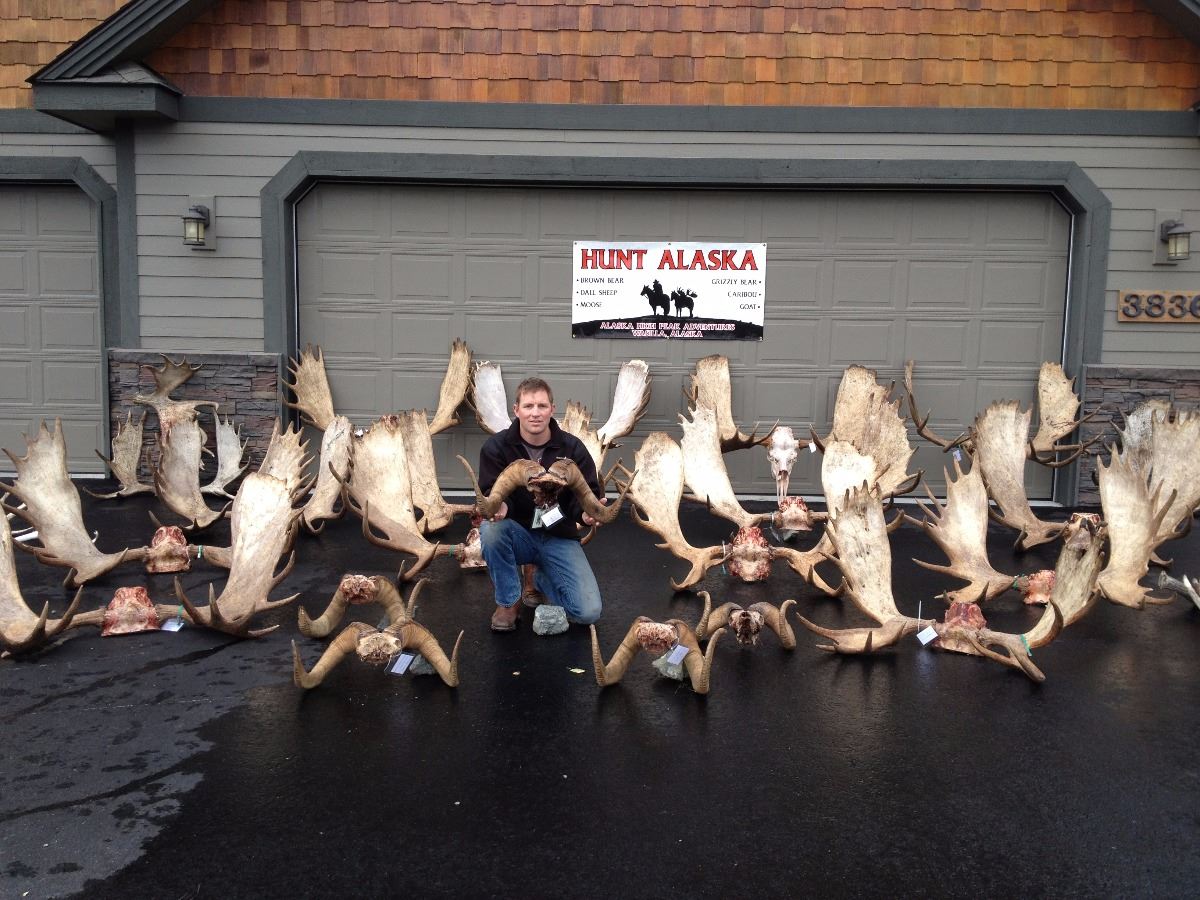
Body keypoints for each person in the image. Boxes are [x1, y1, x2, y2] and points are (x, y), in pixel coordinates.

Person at [478, 377, 606, 632]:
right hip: (517, 533)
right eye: (528, 406)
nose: (535, 413)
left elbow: (586, 494)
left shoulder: (572, 448)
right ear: (516, 410)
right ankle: (508, 602)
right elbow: (490, 491)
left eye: (541, 406)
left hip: (559, 535)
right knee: (490, 530)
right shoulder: (497, 447)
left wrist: (585, 514)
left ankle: (537, 577)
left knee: (587, 613)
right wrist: (501, 506)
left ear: (551, 409)